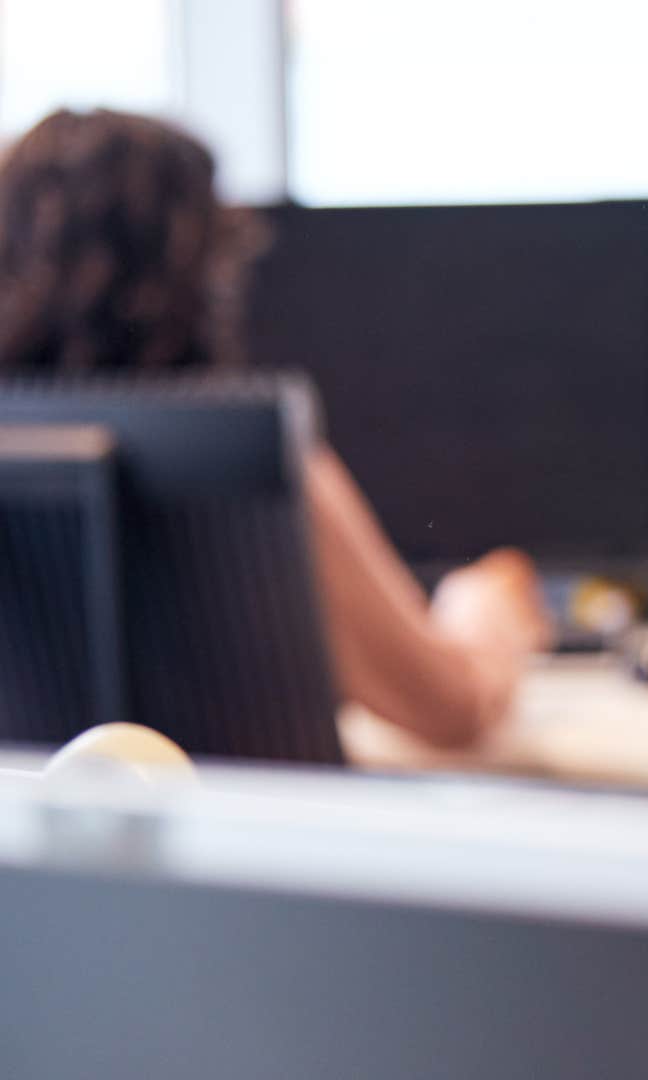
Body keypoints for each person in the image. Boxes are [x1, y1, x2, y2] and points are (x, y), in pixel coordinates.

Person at [0, 108, 549, 748]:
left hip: (34, 847)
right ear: (202, 269)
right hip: (256, 847)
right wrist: (482, 611)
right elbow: (451, 711)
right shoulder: (248, 463)